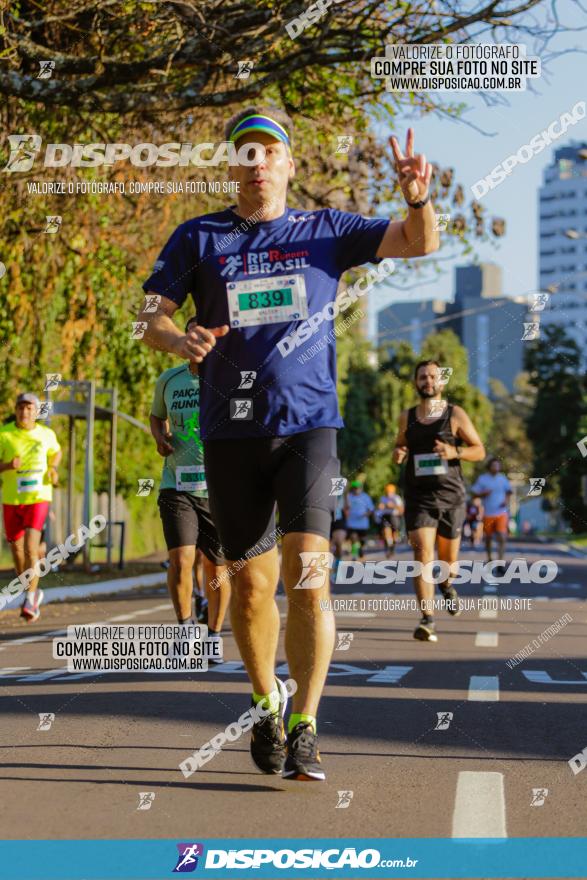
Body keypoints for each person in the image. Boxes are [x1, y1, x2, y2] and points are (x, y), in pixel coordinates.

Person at [140, 107, 440, 780]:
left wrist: (417, 198)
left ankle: (304, 721)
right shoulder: (200, 237)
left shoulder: (325, 230)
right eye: (244, 151)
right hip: (229, 432)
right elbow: (149, 316)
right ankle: (263, 703)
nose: (255, 162)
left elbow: (418, 242)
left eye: (267, 151)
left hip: (307, 427)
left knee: (309, 579)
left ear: (288, 165)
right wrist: (174, 337)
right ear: (233, 166)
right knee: (249, 587)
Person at [150, 318, 230, 659]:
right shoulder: (168, 379)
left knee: (216, 567)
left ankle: (212, 634)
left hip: (219, 488)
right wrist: (160, 437)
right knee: (181, 560)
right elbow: (157, 416)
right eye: (192, 333)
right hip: (176, 485)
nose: (198, 340)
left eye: (204, 334)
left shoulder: (227, 379)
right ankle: (185, 629)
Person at [393, 361, 485, 642]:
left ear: (441, 382)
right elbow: (400, 443)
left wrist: (453, 451)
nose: (428, 381)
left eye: (433, 377)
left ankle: (446, 586)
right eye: (422, 377)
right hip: (419, 497)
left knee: (449, 562)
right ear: (416, 382)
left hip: (451, 498)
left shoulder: (454, 414)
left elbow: (479, 450)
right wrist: (399, 452)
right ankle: (427, 620)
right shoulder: (406, 416)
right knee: (422, 556)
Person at [0, 393, 62, 622]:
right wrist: (7, 465)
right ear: (15, 410)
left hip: (39, 497)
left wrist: (53, 468)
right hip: (11, 499)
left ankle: (30, 598)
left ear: (36, 412)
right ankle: (30, 592)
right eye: (20, 408)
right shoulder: (4, 433)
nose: (25, 413)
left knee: (30, 548)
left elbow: (56, 451)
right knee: (16, 550)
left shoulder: (46, 434)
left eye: (29, 408)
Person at [471, 458, 513, 575]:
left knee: (501, 536)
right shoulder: (482, 479)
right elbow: (474, 493)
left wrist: (506, 501)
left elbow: (509, 492)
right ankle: (490, 559)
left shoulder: (502, 479)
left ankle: (500, 563)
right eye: (494, 465)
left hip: (501, 512)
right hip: (488, 512)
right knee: (488, 538)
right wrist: (483, 494)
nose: (496, 467)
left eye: (498, 465)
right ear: (489, 467)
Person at [344, 481, 374, 560]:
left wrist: (366, 514)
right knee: (353, 539)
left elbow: (371, 509)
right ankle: (354, 555)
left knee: (362, 541)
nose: (356, 490)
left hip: (363, 523)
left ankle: (361, 552)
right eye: (354, 488)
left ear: (361, 488)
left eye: (358, 488)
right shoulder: (348, 496)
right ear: (352, 489)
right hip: (351, 522)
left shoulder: (365, 497)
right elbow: (345, 508)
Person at [376, 483, 404, 557]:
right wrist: (381, 506)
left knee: (394, 533)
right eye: (388, 491)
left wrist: (392, 506)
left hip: (394, 516)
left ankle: (392, 547)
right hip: (385, 516)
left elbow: (401, 509)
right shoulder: (383, 498)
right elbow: (380, 507)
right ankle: (389, 544)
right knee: (386, 530)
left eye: (390, 491)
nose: (389, 493)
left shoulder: (396, 498)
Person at [330, 493, 347, 581]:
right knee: (327, 547)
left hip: (338, 518)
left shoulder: (340, 482)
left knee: (339, 542)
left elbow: (347, 505)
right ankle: (328, 570)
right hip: (324, 516)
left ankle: (337, 568)